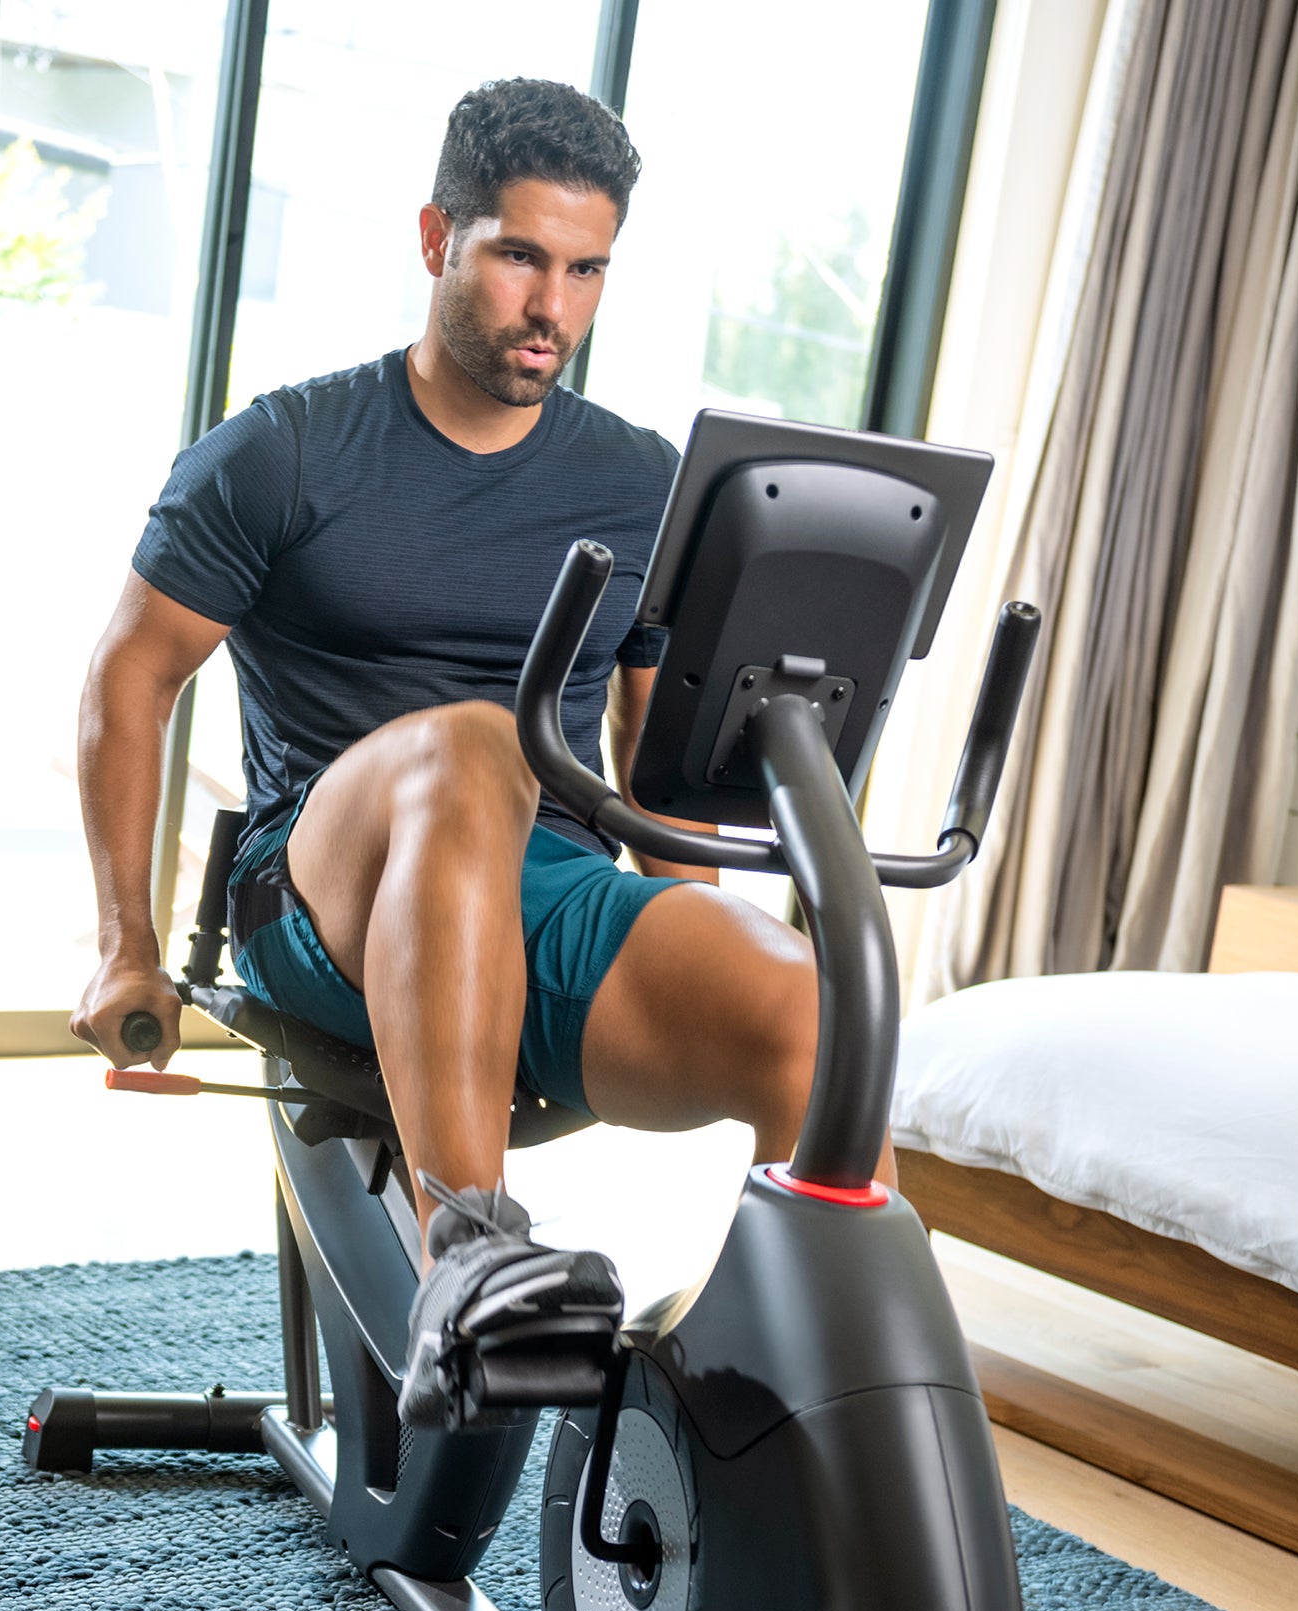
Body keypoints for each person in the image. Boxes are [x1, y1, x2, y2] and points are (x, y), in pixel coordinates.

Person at [72, 77, 894, 1424]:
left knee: (808, 1012)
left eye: (585, 270)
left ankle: (811, 1419)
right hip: (321, 896)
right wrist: (122, 944)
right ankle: (471, 1256)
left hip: (549, 892)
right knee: (467, 749)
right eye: (520, 256)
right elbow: (130, 676)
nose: (551, 306)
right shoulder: (285, 451)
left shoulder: (642, 484)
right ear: (436, 239)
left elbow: (650, 751)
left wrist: (683, 932)